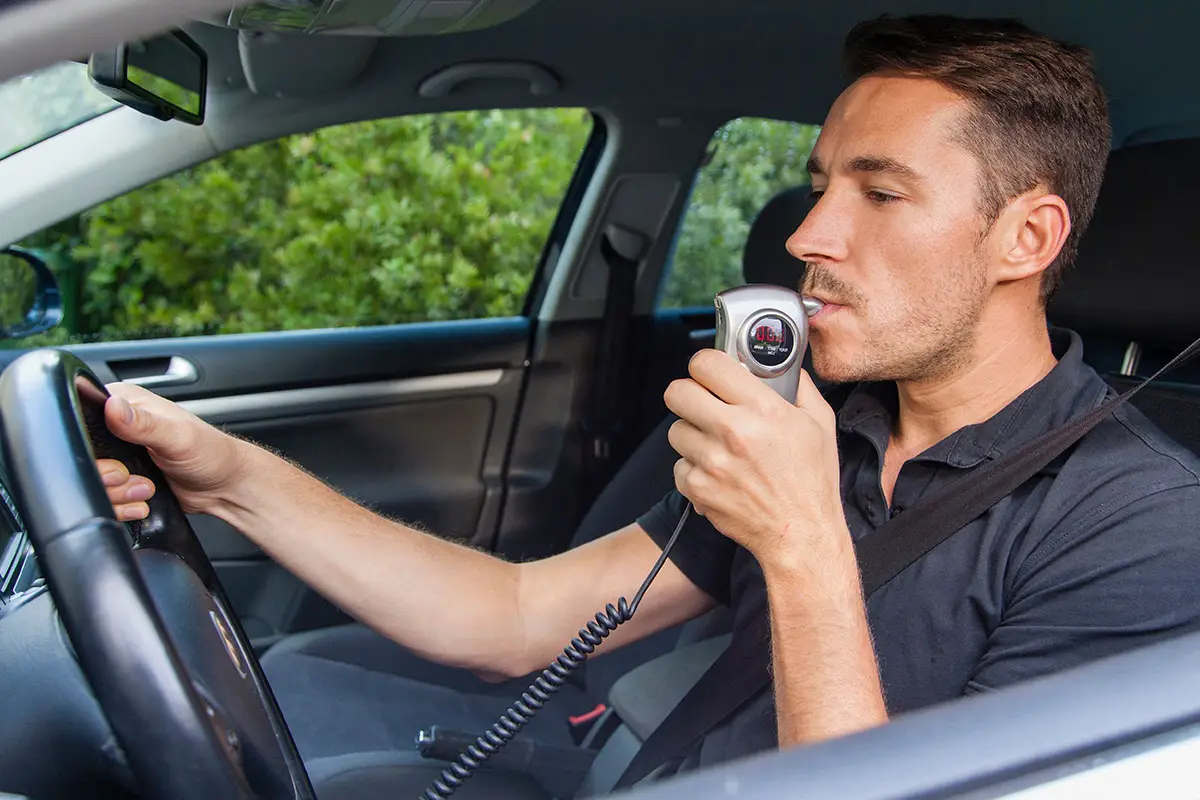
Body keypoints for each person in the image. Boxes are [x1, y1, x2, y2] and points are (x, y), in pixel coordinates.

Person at [100, 12, 1200, 788]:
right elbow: (518, 618)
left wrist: (805, 542)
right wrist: (234, 479)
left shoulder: (1141, 523)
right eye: (820, 185)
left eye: (881, 190)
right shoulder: (832, 429)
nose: (809, 235)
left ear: (1029, 236)